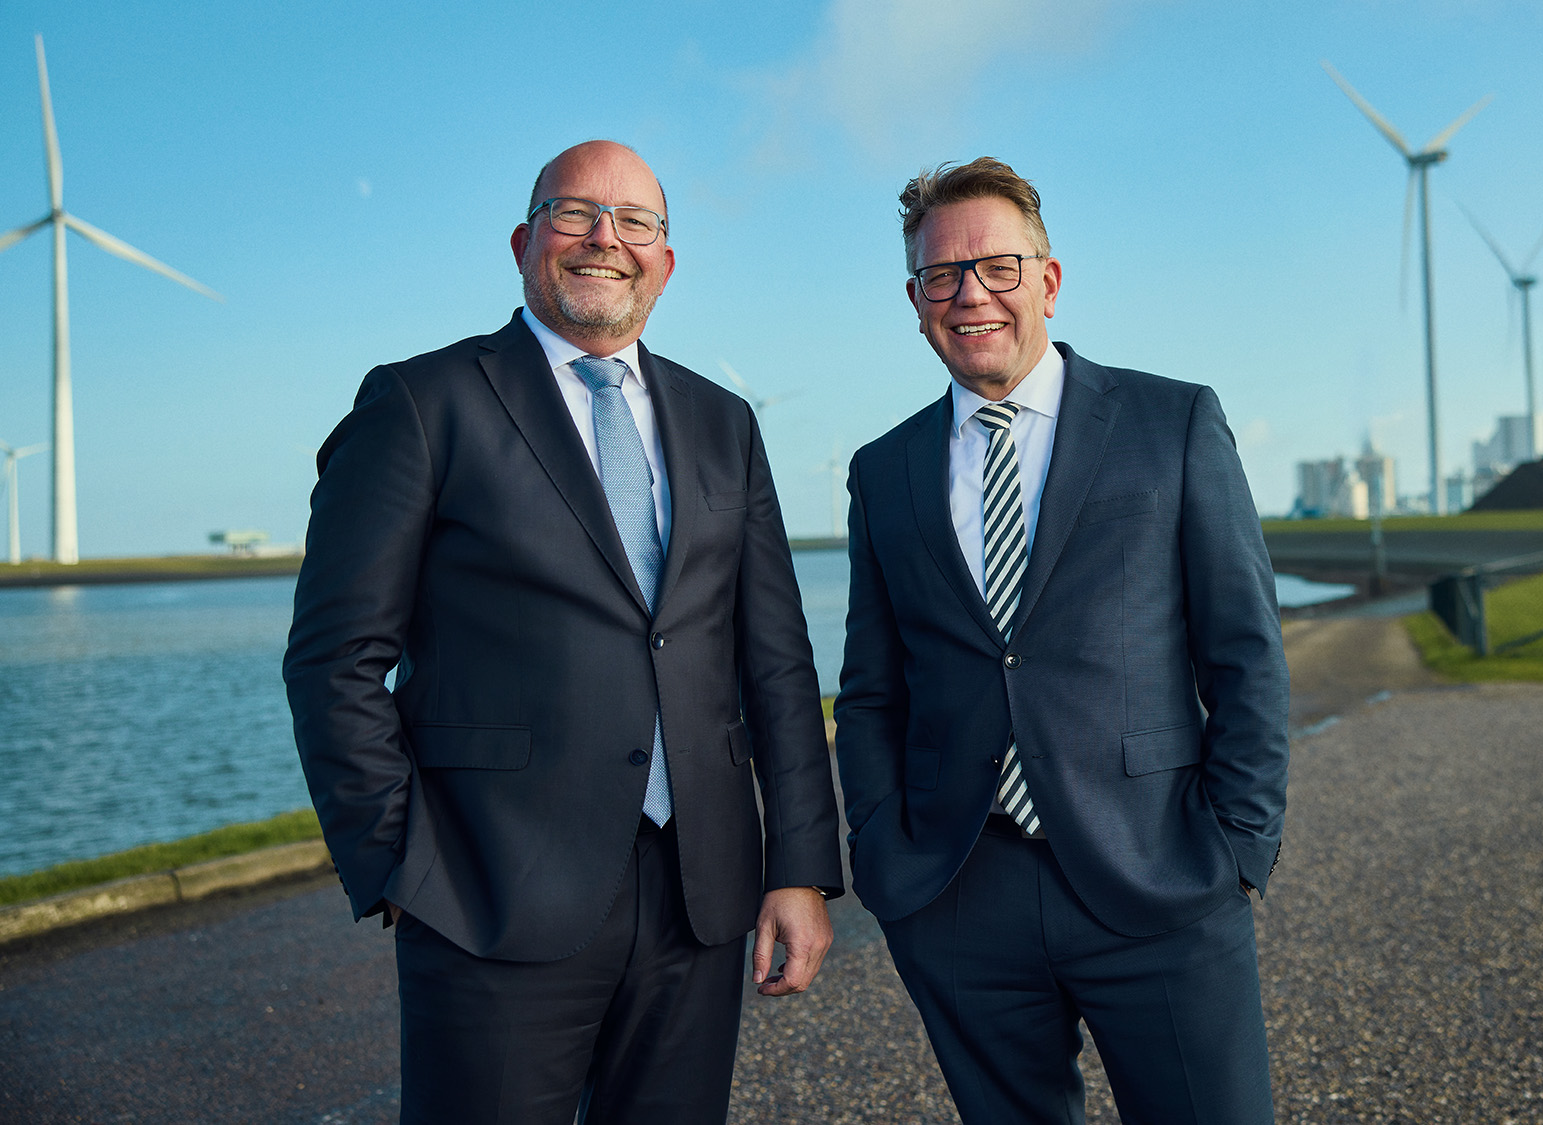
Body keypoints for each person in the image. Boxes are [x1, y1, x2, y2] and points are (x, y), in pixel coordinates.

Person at [284, 140, 842, 1125]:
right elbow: (333, 661)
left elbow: (778, 665)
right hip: (489, 897)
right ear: (523, 241)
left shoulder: (724, 423)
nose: (605, 239)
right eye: (575, 212)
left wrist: (797, 866)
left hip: (697, 900)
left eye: (636, 222)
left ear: (665, 261)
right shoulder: (420, 404)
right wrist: (402, 865)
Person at [834, 156, 1290, 1124]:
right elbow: (872, 690)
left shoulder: (1171, 423)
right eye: (939, 277)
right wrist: (881, 852)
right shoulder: (883, 472)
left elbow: (1244, 652)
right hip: (958, 896)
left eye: (996, 268)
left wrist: (1236, 847)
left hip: (1159, 876)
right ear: (914, 301)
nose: (969, 295)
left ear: (1045, 279)